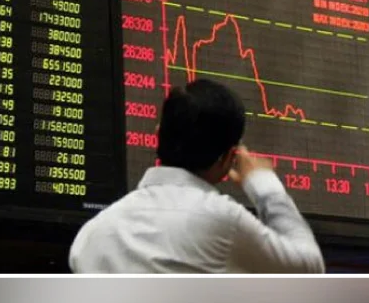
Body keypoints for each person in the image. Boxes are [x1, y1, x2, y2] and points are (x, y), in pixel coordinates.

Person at [69, 78, 325, 273]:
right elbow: (309, 267)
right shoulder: (220, 220)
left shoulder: (91, 236)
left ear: (158, 135)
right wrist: (264, 184)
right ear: (228, 158)